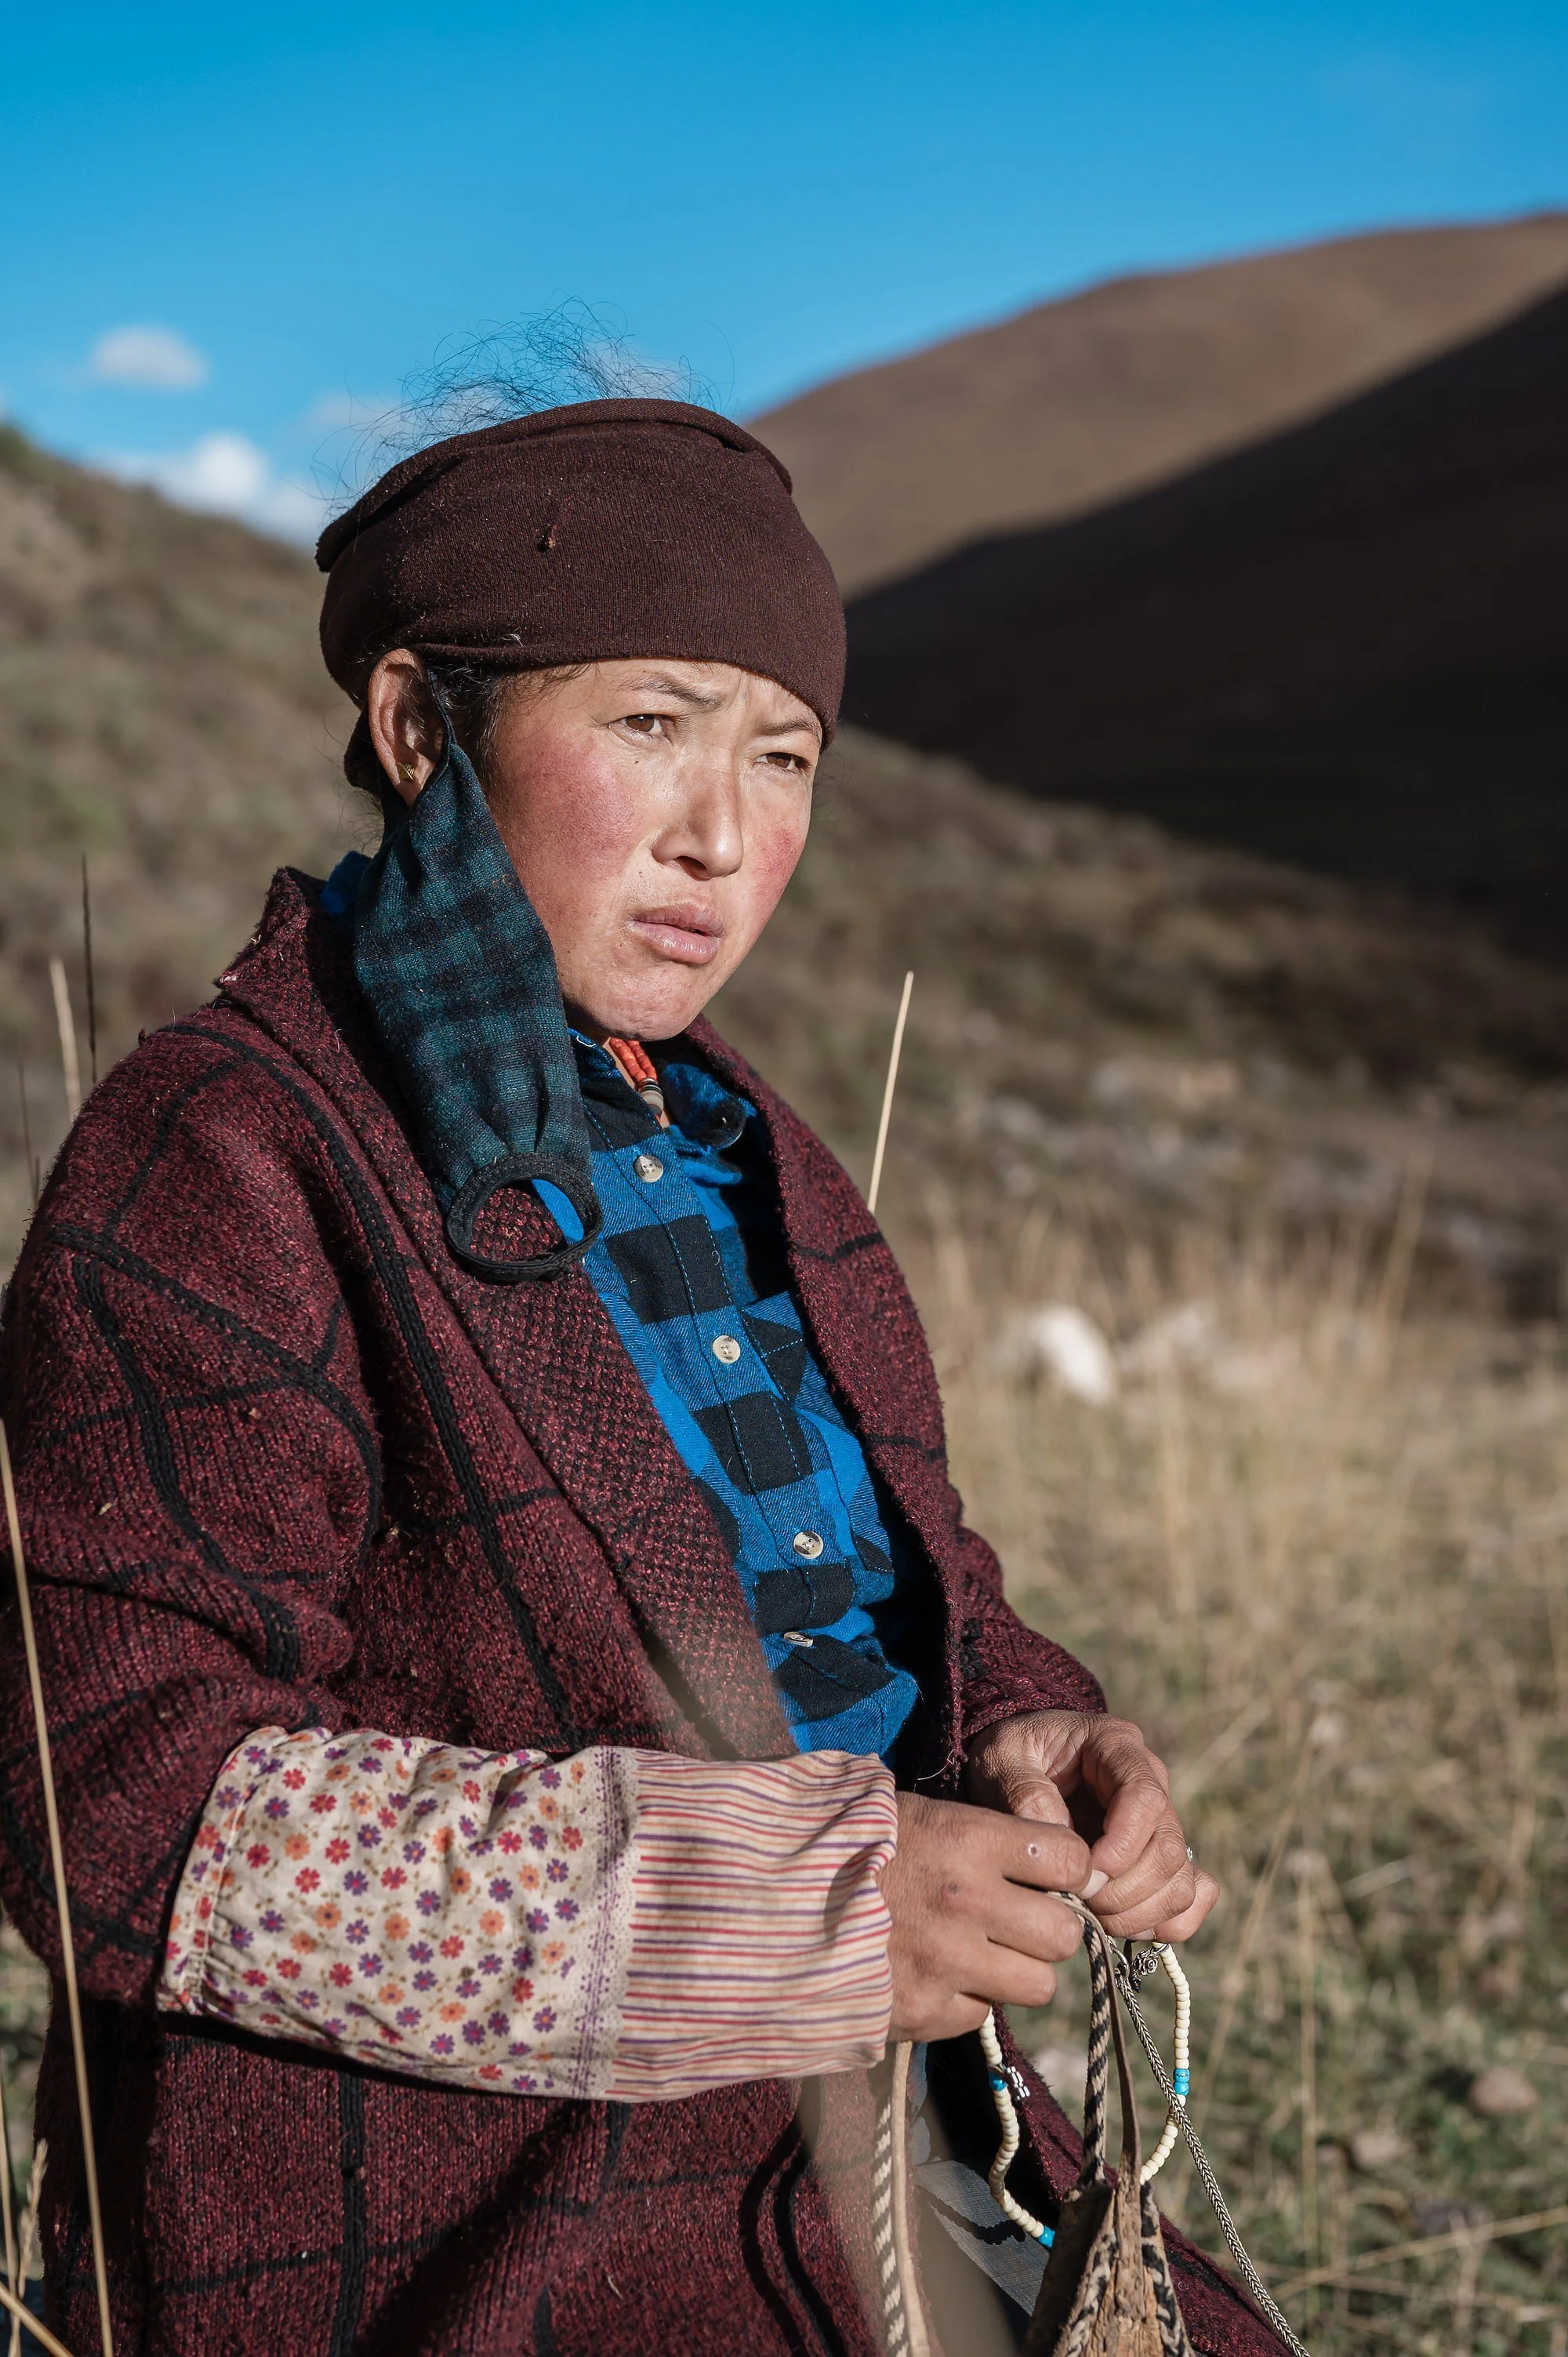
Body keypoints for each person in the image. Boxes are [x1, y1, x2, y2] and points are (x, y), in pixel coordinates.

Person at [0, 398, 1276, 2357]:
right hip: (491, 2219)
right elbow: (99, 1791)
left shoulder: (756, 1158)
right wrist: (799, 1915)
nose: (725, 834)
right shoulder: (227, 1153)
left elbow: (893, 1576)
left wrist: (1028, 1732)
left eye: (784, 757)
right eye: (652, 727)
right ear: (426, 731)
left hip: (903, 2143)